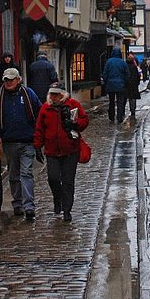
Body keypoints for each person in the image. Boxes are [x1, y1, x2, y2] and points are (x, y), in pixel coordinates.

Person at [0, 67, 42, 220]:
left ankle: (29, 206)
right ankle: (17, 204)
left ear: (19, 80)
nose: (8, 82)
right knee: (13, 175)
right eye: (6, 80)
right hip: (9, 142)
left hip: (27, 141)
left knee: (26, 173)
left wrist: (38, 135)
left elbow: (39, 112)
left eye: (11, 79)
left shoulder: (29, 93)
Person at [34, 81, 89, 222]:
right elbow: (40, 128)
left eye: (56, 94)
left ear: (63, 95)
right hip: (52, 151)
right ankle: (57, 199)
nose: (53, 97)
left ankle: (67, 210)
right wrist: (37, 146)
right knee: (53, 178)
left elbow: (84, 121)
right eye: (52, 94)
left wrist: (75, 124)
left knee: (68, 181)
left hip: (70, 149)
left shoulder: (73, 105)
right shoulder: (45, 108)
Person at [102, 48, 130, 123]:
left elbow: (105, 73)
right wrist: (124, 82)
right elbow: (127, 74)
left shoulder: (109, 62)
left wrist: (106, 82)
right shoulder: (123, 62)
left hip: (110, 85)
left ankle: (111, 117)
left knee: (111, 101)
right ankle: (119, 117)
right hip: (121, 85)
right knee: (120, 102)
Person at [126, 53, 141, 118]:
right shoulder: (134, 67)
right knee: (133, 98)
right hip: (134, 84)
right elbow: (137, 76)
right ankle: (133, 110)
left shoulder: (126, 66)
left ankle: (130, 109)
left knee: (129, 97)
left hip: (127, 84)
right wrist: (137, 82)